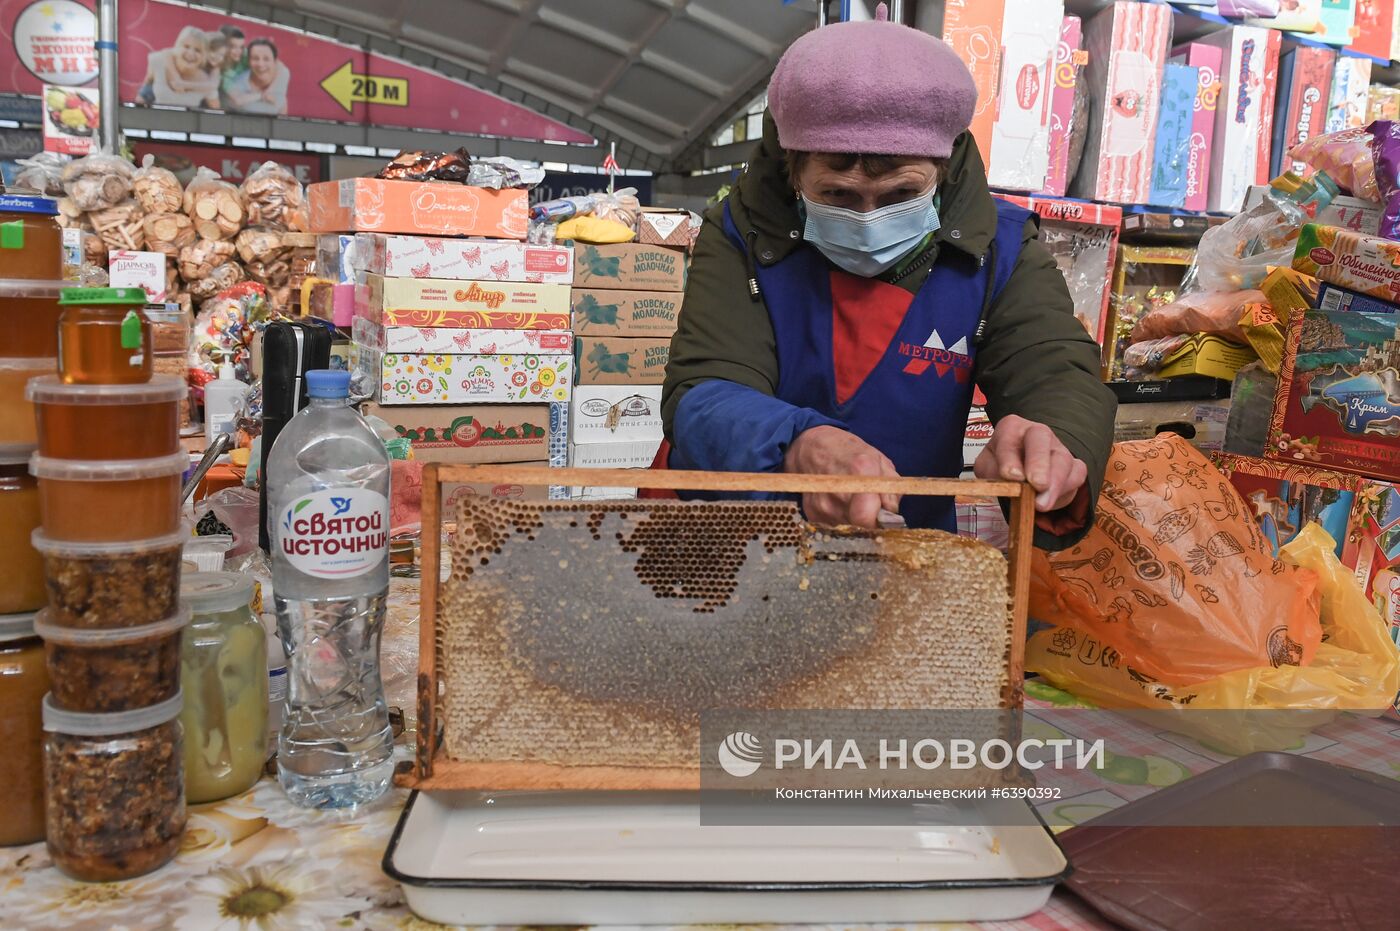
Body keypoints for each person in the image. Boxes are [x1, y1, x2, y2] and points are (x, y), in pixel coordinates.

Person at [661, 11, 1116, 550]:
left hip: (912, 559)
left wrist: (1054, 443)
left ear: (942, 173)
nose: (868, 217)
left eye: (902, 196)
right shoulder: (740, 231)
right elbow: (704, 391)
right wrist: (795, 443)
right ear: (792, 169)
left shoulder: (1001, 249)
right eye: (836, 195)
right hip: (745, 549)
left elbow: (1055, 369)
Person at [137, 26, 220, 108]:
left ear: (203, 56)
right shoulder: (158, 61)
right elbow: (144, 92)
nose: (191, 53)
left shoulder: (206, 82)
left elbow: (216, 110)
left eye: (197, 50)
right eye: (186, 46)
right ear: (177, 46)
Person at [224, 38, 290, 115]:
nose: (260, 64)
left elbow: (282, 101)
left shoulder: (283, 74)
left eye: (266, 59)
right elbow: (236, 102)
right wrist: (262, 95)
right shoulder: (237, 85)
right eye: (255, 58)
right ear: (248, 61)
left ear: (274, 62)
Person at [217, 24, 249, 106]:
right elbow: (238, 99)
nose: (238, 51)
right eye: (233, 47)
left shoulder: (244, 54)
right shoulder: (222, 73)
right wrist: (263, 94)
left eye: (241, 47)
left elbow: (277, 65)